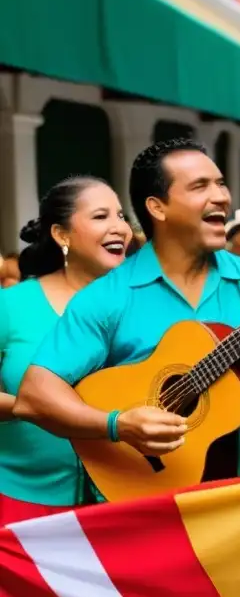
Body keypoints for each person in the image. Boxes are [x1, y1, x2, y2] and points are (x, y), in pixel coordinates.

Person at [14, 138, 240, 489]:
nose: (222, 196)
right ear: (157, 208)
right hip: (144, 497)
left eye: (221, 183)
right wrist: (118, 425)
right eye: (200, 186)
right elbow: (35, 395)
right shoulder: (108, 296)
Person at [0, 177, 132, 526]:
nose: (119, 227)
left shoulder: (143, 303)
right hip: (22, 502)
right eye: (101, 216)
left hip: (125, 499)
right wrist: (43, 407)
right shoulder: (12, 304)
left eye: (121, 216)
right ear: (62, 235)